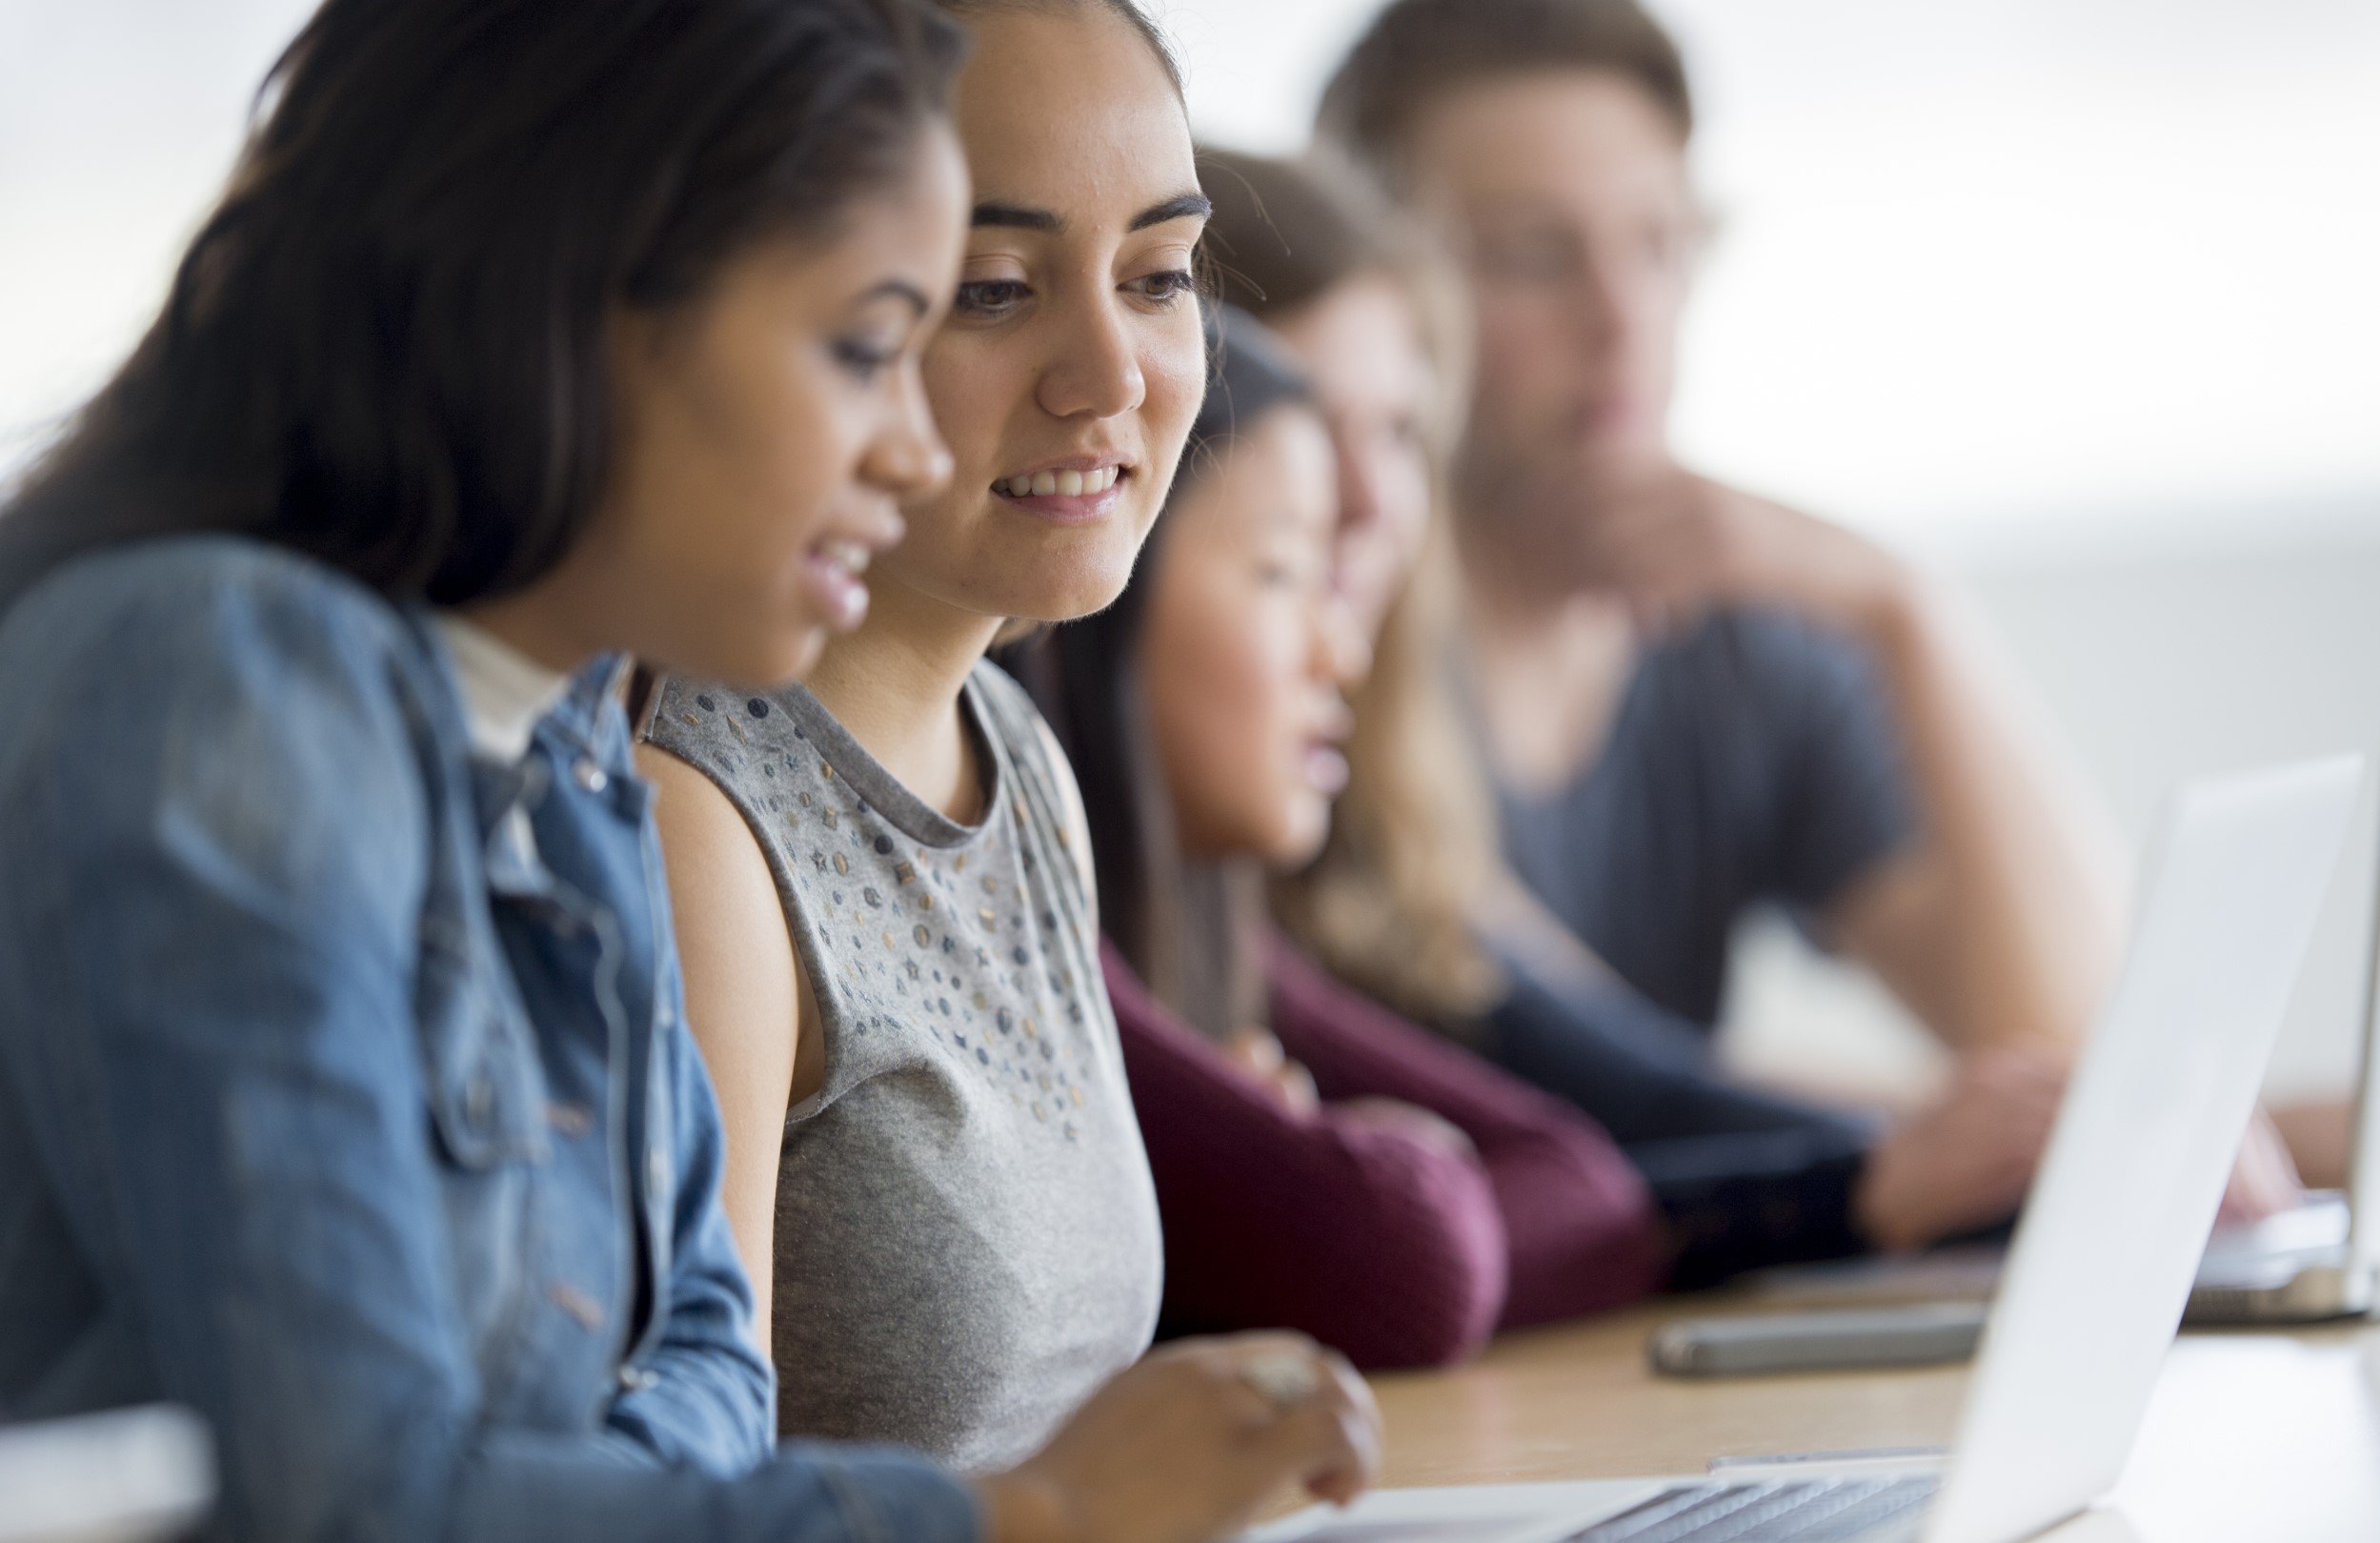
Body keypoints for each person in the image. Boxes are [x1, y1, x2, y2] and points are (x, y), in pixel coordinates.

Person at [0, 4, 1375, 1541]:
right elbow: (354, 1500)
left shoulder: (570, 738)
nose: (909, 448)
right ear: (576, 304)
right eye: (868, 340)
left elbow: (708, 1377)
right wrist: (1026, 1514)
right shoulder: (212, 681)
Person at [1310, 0, 2304, 1220]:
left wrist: (1906, 607)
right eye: (1533, 254)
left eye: (1662, 244)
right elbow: (1595, 1086)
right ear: (1394, 301)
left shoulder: (1737, 643)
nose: (1624, 318)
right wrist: (1987, 1133)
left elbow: (2073, 1043)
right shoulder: (1323, 651)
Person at [645, 0, 1374, 1483]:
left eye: (1159, 276)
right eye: (990, 289)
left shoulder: (1018, 760)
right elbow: (686, 1510)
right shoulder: (694, 811)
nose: (1108, 373)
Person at [1198, 148, 2066, 1278]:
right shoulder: (1108, 865)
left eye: (1401, 433)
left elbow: (1606, 1112)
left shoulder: (1371, 813)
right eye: (1309, 430)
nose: (1365, 504)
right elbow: (1420, 1221)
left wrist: (1973, 1153)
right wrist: (1873, 1180)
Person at [1007, 308, 1669, 1367]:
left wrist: (1336, 1164)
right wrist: (1360, 1165)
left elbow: (1582, 1185)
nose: (1341, 649)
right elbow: (1400, 1258)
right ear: (1099, 612)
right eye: (1279, 576)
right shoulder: (1025, 932)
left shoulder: (1226, 935)